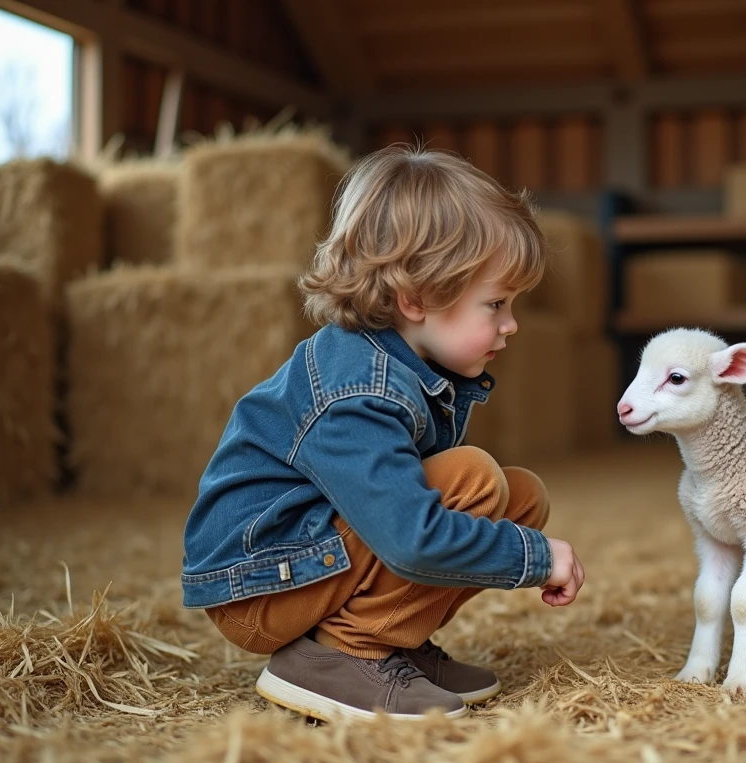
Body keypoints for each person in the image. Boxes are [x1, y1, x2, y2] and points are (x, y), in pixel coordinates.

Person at [180, 144, 586, 721]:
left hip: (311, 559)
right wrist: (533, 558)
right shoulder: (357, 391)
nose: (511, 324)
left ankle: (391, 640)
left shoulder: (408, 367)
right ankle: (347, 653)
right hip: (263, 584)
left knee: (520, 496)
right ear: (415, 298)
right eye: (495, 303)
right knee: (472, 479)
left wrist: (523, 539)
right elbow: (410, 539)